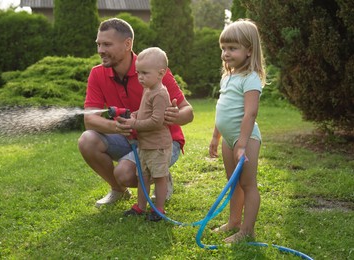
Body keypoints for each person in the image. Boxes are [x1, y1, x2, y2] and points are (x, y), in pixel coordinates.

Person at [78, 18, 194, 208]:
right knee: (87, 140)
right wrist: (118, 126)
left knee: (124, 173)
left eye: (107, 44)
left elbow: (188, 112)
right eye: (98, 44)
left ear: (127, 44)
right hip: (130, 136)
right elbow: (90, 120)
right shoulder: (97, 74)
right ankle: (118, 190)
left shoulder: (154, 70)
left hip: (162, 141)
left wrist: (176, 116)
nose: (100, 50)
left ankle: (161, 176)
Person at [208, 19, 266, 243]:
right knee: (233, 183)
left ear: (249, 50)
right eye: (223, 48)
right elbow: (221, 108)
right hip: (229, 139)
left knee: (247, 184)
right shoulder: (228, 76)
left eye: (232, 48)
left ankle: (247, 231)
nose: (225, 53)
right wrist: (215, 136)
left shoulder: (250, 79)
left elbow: (250, 114)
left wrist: (242, 143)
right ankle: (234, 222)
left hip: (247, 139)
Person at [119, 47, 172, 221]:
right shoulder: (148, 89)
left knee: (159, 178)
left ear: (160, 73)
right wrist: (135, 114)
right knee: (142, 177)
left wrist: (134, 124)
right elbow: (145, 112)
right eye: (138, 72)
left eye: (145, 73)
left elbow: (157, 121)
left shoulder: (160, 94)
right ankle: (140, 207)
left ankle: (159, 209)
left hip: (158, 147)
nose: (140, 77)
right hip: (144, 145)